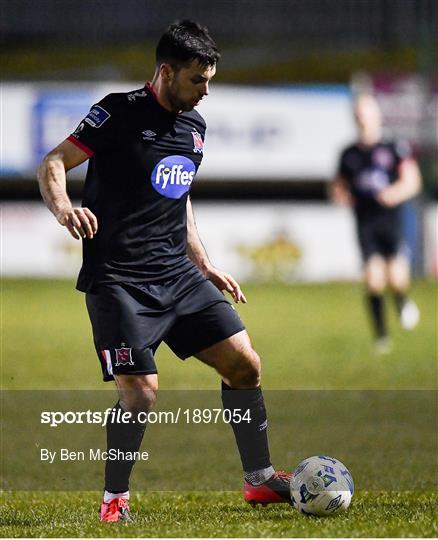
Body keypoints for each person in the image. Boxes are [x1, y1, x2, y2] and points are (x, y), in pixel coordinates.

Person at [37, 20, 291, 522]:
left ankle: (259, 480)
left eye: (210, 80)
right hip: (119, 282)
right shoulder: (116, 112)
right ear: (166, 72)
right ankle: (115, 501)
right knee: (142, 391)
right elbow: (52, 162)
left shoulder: (194, 128)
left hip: (178, 275)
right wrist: (64, 208)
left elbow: (180, 196)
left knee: (246, 363)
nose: (206, 91)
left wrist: (205, 263)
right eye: (198, 80)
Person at [330, 93, 422, 354]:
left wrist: (395, 193)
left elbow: (412, 181)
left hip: (390, 220)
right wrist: (340, 195)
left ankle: (402, 301)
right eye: (358, 113)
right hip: (366, 221)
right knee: (373, 278)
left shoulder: (394, 147)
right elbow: (338, 184)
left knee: (396, 277)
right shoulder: (349, 154)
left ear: (376, 115)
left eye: (366, 112)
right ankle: (381, 336)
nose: (362, 117)